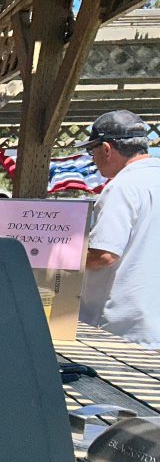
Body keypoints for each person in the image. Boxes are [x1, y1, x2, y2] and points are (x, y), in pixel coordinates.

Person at [77, 109, 160, 348]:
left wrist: (59, 259)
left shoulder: (123, 186)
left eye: (91, 151)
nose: (92, 158)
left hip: (121, 329)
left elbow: (104, 255)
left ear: (106, 149)